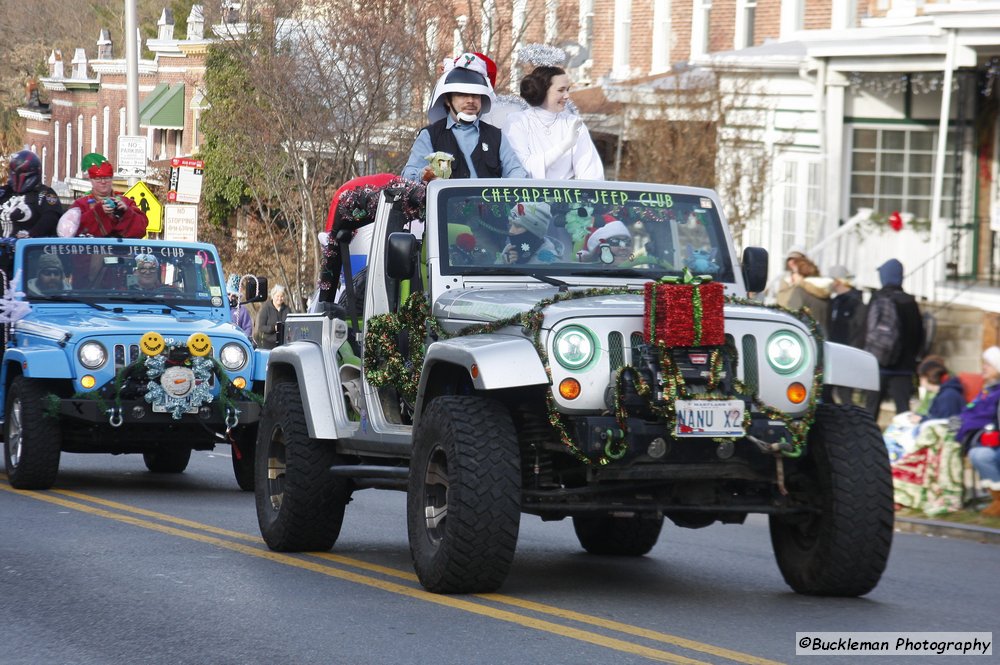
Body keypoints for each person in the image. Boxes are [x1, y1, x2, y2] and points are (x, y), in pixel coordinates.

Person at [402, 53, 526, 182]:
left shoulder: (496, 136)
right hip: (445, 202)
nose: (470, 101)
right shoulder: (430, 135)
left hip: (489, 202)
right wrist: (424, 174)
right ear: (447, 100)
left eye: (476, 95)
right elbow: (408, 175)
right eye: (462, 95)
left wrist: (516, 182)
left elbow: (516, 171)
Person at [504, 66, 604, 180]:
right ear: (542, 91)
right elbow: (521, 169)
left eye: (568, 90)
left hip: (566, 195)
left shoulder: (573, 123)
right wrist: (564, 146)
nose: (567, 96)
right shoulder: (517, 122)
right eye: (561, 90)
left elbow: (591, 172)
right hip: (528, 195)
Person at [864, 258, 925, 418]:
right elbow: (919, 333)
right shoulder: (910, 301)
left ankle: (869, 442)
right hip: (904, 367)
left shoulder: (878, 298)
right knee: (903, 413)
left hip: (878, 364)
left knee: (870, 411)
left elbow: (867, 330)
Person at [58, 154, 148, 238]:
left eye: (107, 178)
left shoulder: (127, 202)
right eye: (98, 178)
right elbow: (68, 231)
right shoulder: (80, 205)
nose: (103, 182)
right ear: (91, 180)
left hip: (121, 253)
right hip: (91, 252)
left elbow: (141, 230)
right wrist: (98, 212)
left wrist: (126, 212)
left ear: (112, 178)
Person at [825, 265, 867, 404]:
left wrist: (853, 354)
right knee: (824, 392)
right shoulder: (834, 301)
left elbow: (860, 331)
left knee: (844, 394)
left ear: (837, 281)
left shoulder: (856, 303)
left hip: (847, 354)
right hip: (832, 353)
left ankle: (849, 423)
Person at [0, 150, 62, 238]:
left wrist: (31, 234)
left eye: (15, 174)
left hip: (24, 247)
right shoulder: (5, 192)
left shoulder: (44, 193)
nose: (11, 178)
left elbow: (51, 216)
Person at [777, 255, 832, 336]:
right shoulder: (823, 289)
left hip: (804, 335)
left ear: (800, 274)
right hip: (823, 335)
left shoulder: (799, 291)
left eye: (793, 272)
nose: (791, 275)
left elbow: (789, 315)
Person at [499, 202, 563, 264]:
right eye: (510, 225)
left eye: (518, 226)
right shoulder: (510, 248)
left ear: (534, 231)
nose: (511, 231)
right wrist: (503, 263)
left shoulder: (551, 263)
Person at [255, 284, 289, 349]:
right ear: (273, 296)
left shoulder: (287, 309)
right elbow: (261, 327)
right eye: (277, 296)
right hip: (268, 343)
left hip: (284, 343)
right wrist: (274, 328)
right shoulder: (266, 308)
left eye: (282, 296)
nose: (279, 298)